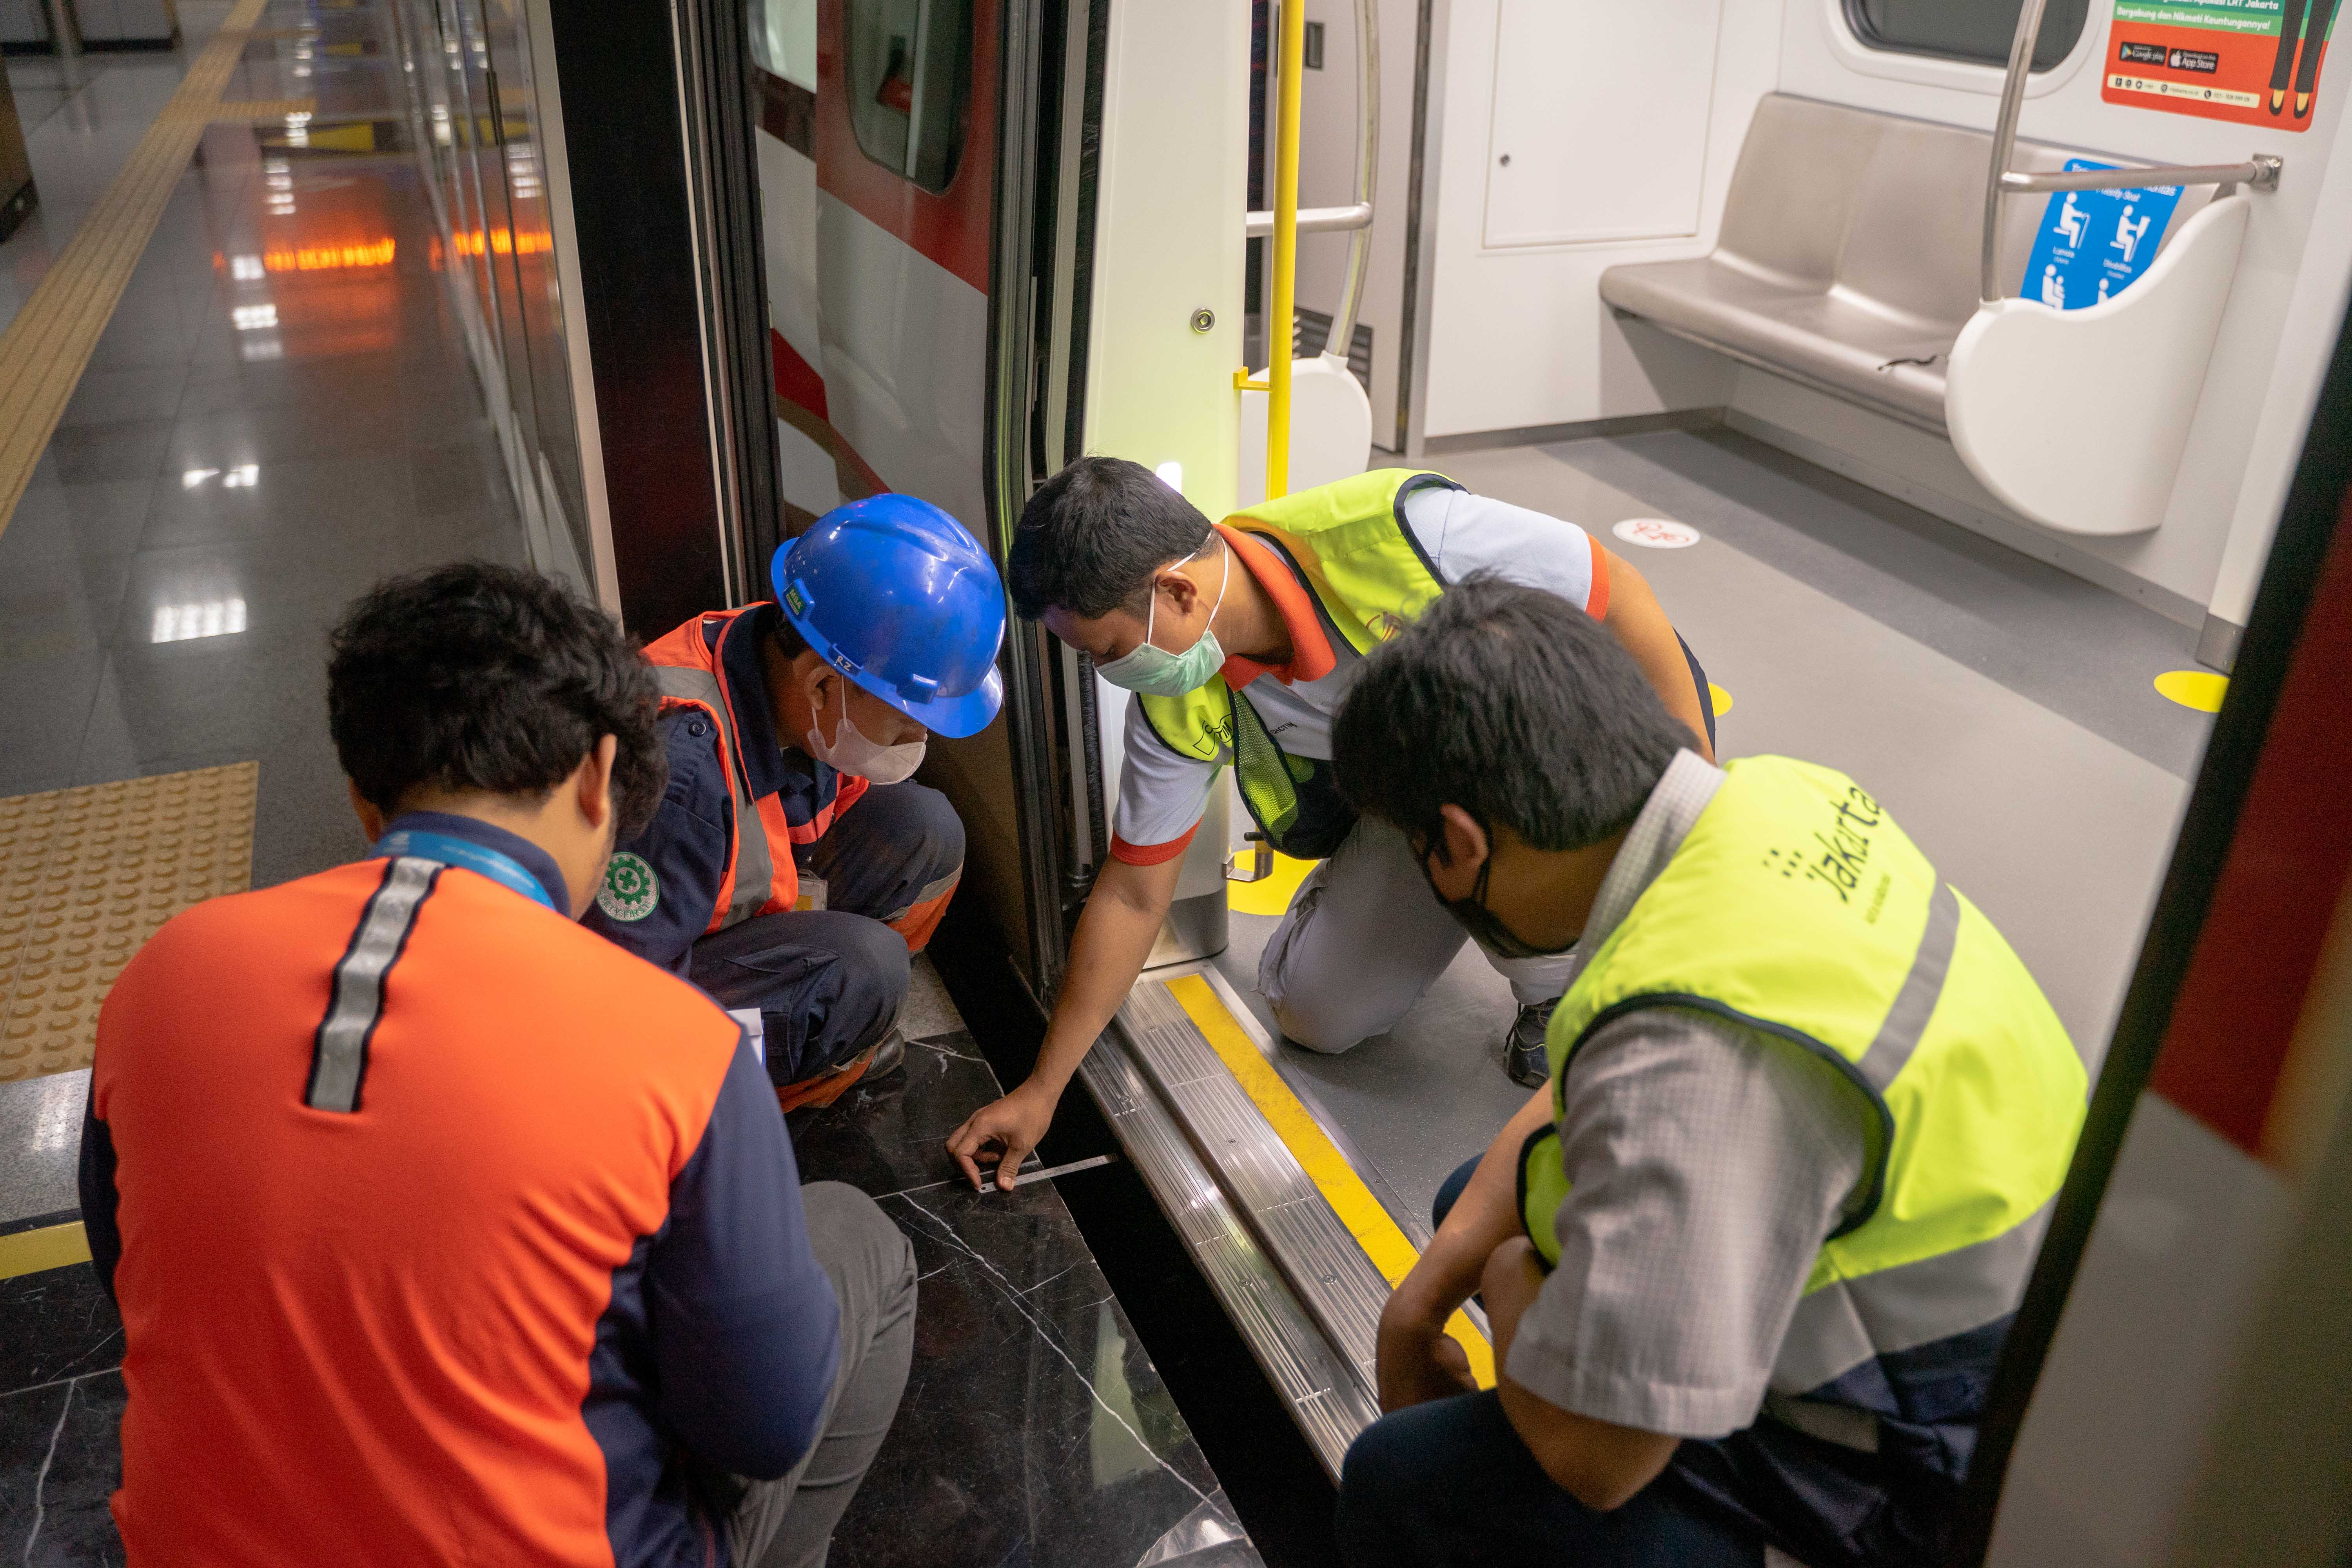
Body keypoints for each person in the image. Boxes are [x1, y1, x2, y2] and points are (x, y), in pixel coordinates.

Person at [79, 564, 917, 1567]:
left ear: (362, 797)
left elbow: (130, 1273)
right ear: (601, 778)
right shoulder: (672, 1045)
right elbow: (763, 1427)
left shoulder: (160, 977)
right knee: (862, 1241)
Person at [1325, 578, 2086, 1567]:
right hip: (2021, 1303)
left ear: (1462, 843)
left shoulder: (1688, 1048)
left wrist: (1512, 1285)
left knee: (1402, 1478)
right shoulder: (1777, 797)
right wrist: (1418, 1304)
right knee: (1474, 1204)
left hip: (1933, 1460)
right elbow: (1595, 1091)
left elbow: (1599, 1459)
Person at [948, 457, 1713, 1188]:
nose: (1113, 672)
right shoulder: (1175, 697)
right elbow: (1132, 894)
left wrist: (1697, 803)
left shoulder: (1400, 535)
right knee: (1317, 1013)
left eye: (1111, 650)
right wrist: (1043, 1089)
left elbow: (1619, 594)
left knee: (1577, 917)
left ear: (1177, 591)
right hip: (1421, 793)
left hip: (1560, 734)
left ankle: (1550, 982)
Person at [588, 494, 1005, 1111]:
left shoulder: (793, 652)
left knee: (926, 830)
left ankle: (842, 1030)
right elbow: (618, 1008)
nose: (919, 736)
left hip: (714, 911)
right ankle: (766, 1097)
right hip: (629, 1011)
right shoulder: (679, 782)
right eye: (907, 719)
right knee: (865, 971)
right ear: (822, 686)